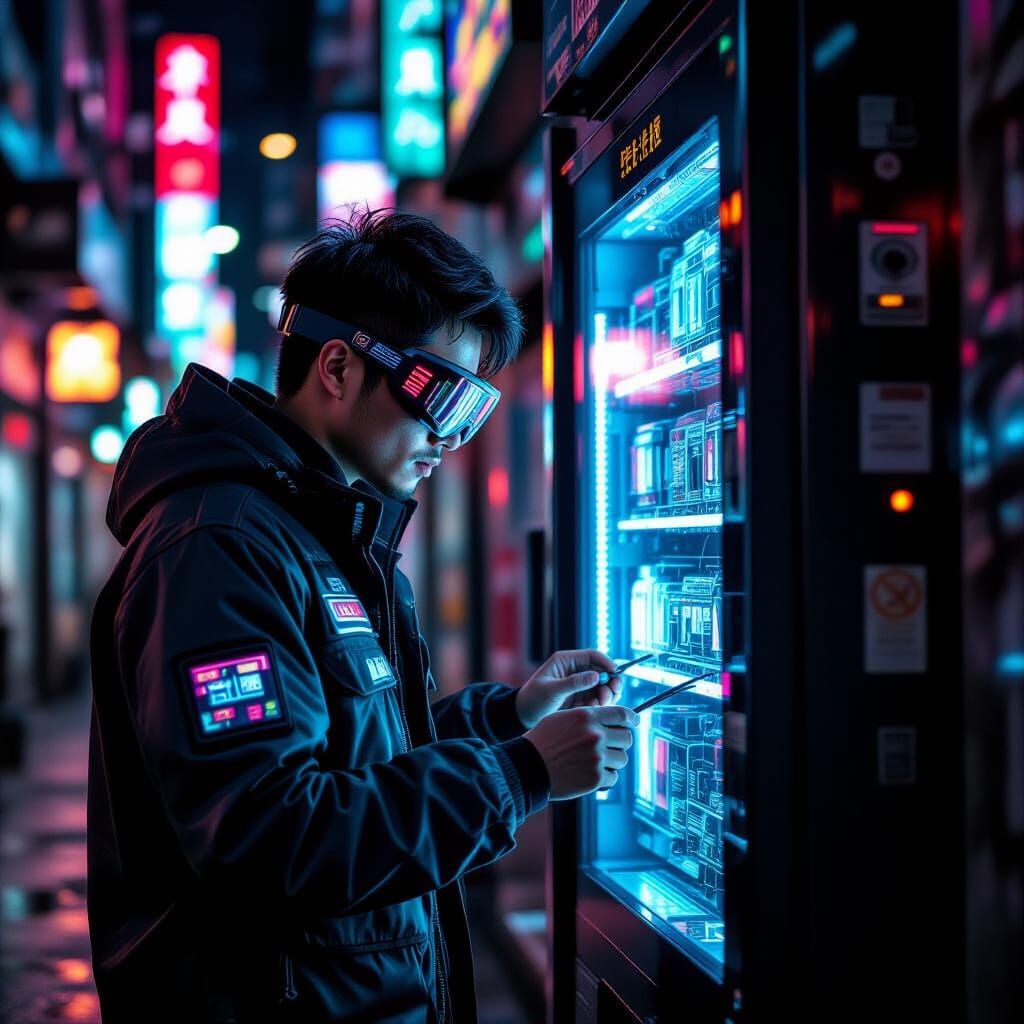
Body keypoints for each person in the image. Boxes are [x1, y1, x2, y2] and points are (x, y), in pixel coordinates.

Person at [87, 208, 637, 1023]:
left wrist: (509, 720)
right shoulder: (220, 548)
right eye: (440, 396)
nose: (451, 437)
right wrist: (521, 773)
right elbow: (268, 837)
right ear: (339, 369)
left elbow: (354, 761)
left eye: (474, 410)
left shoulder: (322, 534)